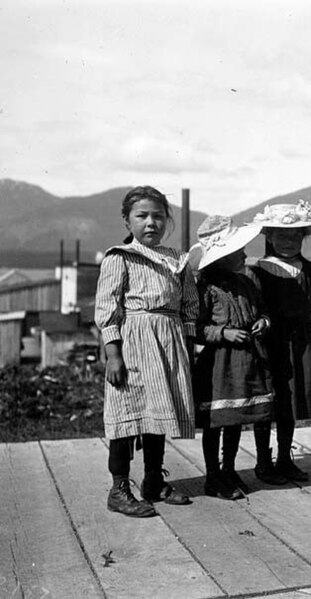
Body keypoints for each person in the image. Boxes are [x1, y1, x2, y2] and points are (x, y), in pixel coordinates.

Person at [95, 185, 197, 518]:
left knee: (156, 414)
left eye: (157, 216)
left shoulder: (178, 261)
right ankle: (119, 488)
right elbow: (107, 308)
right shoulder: (119, 257)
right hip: (133, 343)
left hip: (169, 343)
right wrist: (113, 355)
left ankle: (153, 480)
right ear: (128, 220)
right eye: (142, 216)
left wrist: (188, 347)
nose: (150, 223)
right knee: (126, 417)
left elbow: (190, 307)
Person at [190, 215, 272, 500]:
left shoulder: (246, 283)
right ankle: (213, 475)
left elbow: (261, 310)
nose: (245, 254)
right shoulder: (207, 290)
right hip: (219, 365)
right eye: (238, 251)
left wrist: (263, 322)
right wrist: (223, 334)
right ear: (221, 257)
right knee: (217, 420)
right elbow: (196, 327)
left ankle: (229, 468)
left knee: (236, 418)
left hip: (247, 362)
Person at [248, 201, 311, 483]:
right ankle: (262, 461)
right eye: (282, 235)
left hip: (299, 344)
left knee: (290, 403)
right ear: (268, 235)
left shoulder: (308, 270)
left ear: (304, 237)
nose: (288, 241)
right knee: (267, 402)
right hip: (270, 345)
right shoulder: (257, 270)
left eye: (295, 235)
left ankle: (284, 458)